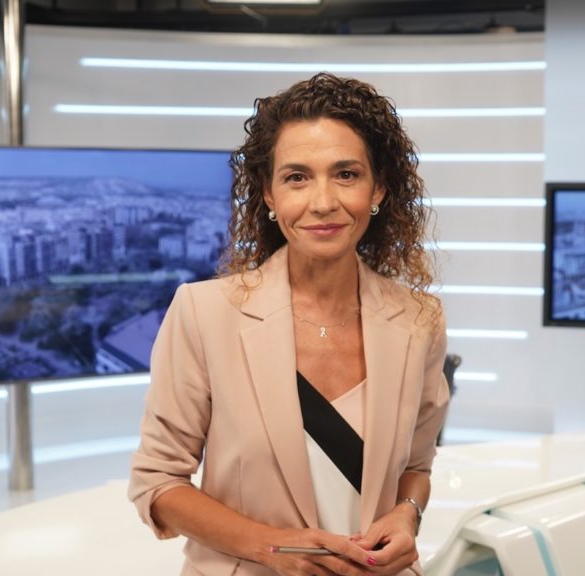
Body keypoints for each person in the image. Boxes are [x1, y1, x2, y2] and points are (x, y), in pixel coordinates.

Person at [128, 72, 450, 576]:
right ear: (269, 195)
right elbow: (158, 484)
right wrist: (272, 548)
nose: (323, 202)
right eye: (297, 177)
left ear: (379, 188)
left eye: (346, 174)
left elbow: (416, 466)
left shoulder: (419, 320)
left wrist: (407, 515)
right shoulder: (204, 312)